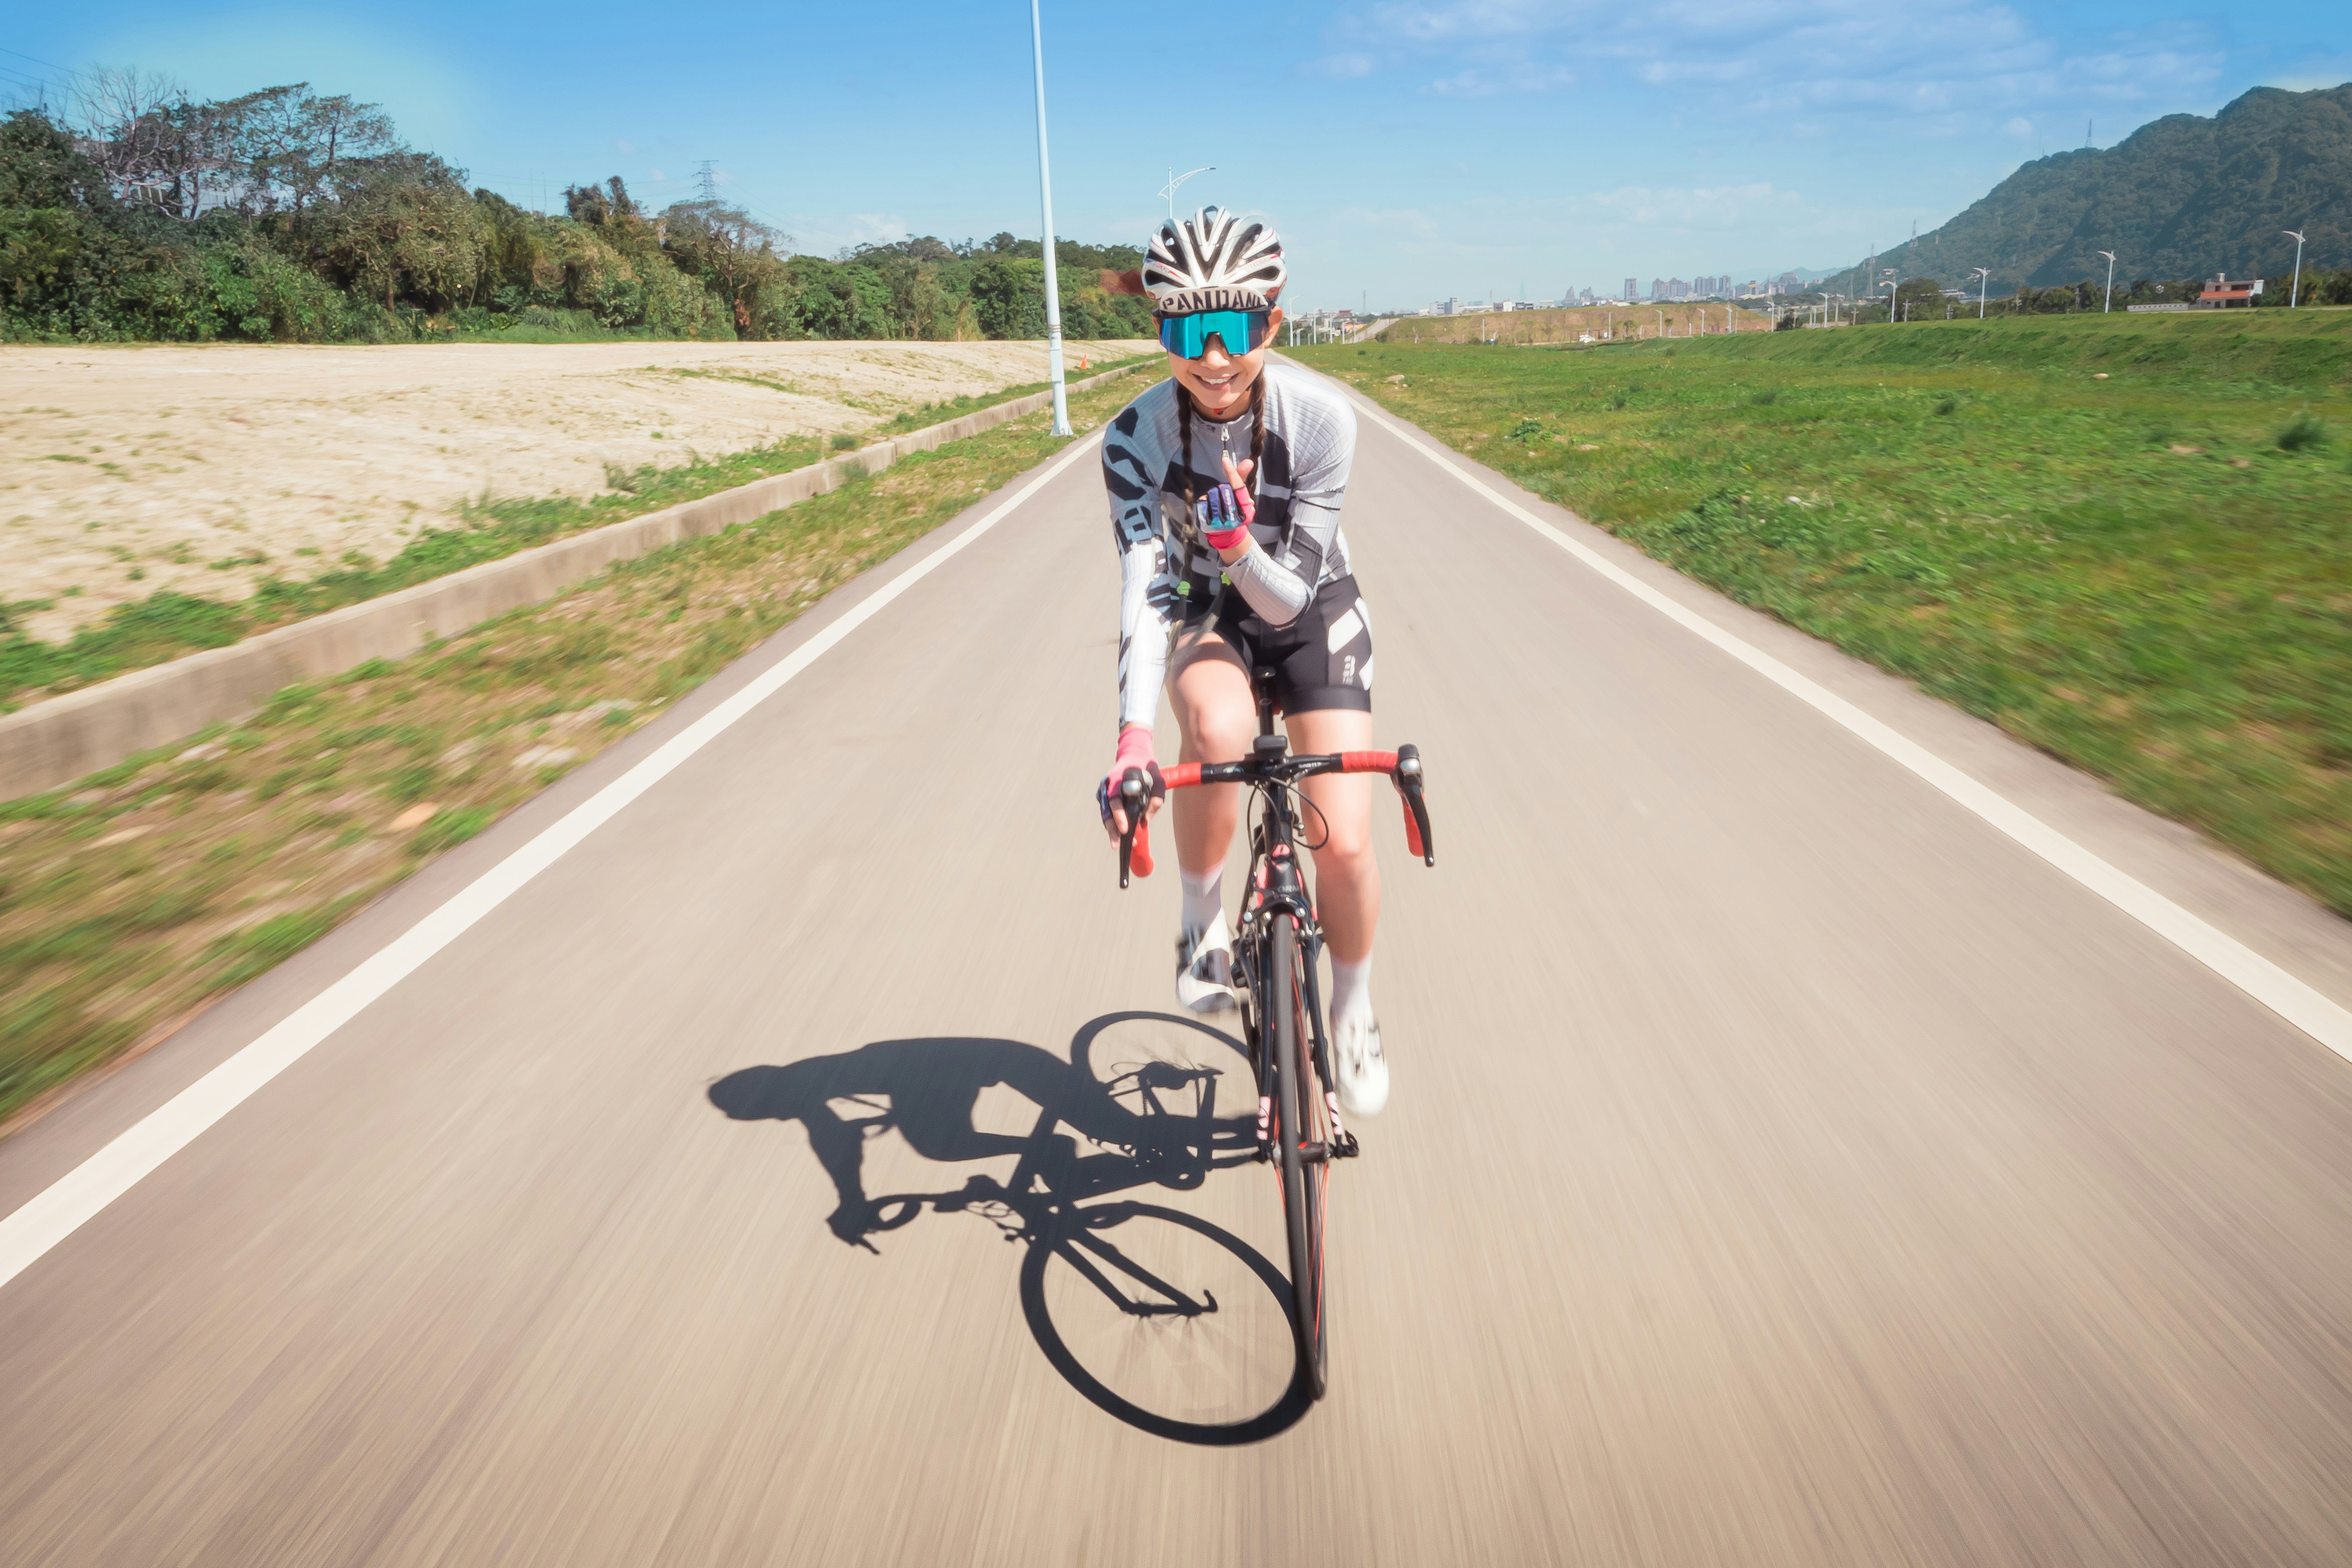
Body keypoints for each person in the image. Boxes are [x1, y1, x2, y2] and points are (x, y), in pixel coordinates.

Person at [1096, 206, 1387, 1116]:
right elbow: (1148, 588)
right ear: (1161, 331)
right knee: (1218, 730)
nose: (1215, 358)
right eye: (1190, 332)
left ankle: (1353, 1005)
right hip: (1205, 611)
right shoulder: (1134, 439)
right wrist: (1134, 738)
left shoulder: (1322, 419)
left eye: (1237, 328)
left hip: (1309, 607)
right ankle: (1199, 915)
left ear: (1273, 322)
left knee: (1344, 841)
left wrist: (1234, 547)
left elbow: (1289, 598)